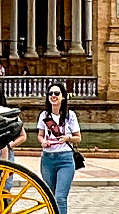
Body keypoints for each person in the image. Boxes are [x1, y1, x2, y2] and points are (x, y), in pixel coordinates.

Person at [36, 85, 82, 214]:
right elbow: (40, 135)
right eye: (50, 93)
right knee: (50, 196)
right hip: (48, 159)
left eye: (57, 93)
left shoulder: (70, 115)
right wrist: (43, 142)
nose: (53, 96)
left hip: (65, 158)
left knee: (60, 197)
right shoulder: (44, 115)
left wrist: (68, 138)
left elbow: (78, 138)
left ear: (63, 96)